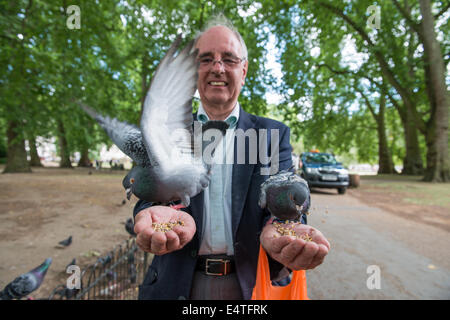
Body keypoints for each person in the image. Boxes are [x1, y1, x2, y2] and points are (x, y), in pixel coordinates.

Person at [133, 15, 330, 300]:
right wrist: (149, 212)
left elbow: (285, 198)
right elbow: (148, 190)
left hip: (248, 287)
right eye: (206, 59)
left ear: (244, 70)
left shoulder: (272, 135)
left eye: (229, 58)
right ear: (192, 71)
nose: (217, 68)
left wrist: (279, 229)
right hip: (175, 286)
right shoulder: (165, 132)